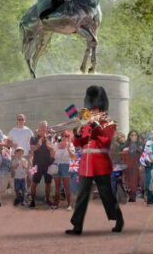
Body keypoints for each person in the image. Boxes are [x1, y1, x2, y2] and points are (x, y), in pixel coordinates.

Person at [66, 86, 124, 235]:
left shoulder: (109, 123)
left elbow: (105, 142)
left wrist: (96, 126)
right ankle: (77, 225)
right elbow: (78, 144)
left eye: (95, 110)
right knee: (82, 195)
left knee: (107, 194)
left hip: (100, 164)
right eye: (91, 110)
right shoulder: (86, 123)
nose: (92, 112)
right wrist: (78, 132)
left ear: (101, 109)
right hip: (86, 164)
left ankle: (119, 219)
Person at [29, 121, 54, 208]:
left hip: (48, 164)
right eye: (42, 127)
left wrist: (47, 141)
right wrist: (38, 145)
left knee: (48, 183)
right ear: (39, 128)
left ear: (47, 128)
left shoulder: (50, 137)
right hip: (36, 164)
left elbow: (52, 149)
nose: (43, 129)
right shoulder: (33, 138)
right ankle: (32, 200)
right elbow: (32, 150)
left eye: (45, 127)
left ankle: (48, 200)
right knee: (34, 183)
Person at [53, 130, 75, 210]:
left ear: (69, 137)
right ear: (60, 136)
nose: (64, 137)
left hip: (66, 166)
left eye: (66, 136)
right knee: (57, 186)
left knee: (67, 187)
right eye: (63, 136)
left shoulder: (71, 145)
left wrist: (68, 148)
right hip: (56, 165)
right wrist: (53, 149)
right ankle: (56, 204)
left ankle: (69, 204)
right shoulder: (56, 144)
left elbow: (73, 157)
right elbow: (52, 156)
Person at [122, 130, 144, 202]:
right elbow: (122, 155)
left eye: (135, 135)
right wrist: (125, 150)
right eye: (132, 135)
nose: (134, 136)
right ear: (129, 136)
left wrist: (141, 165)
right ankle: (130, 195)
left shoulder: (140, 144)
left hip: (136, 165)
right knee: (128, 180)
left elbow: (143, 155)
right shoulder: (126, 144)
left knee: (135, 181)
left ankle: (133, 196)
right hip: (127, 165)